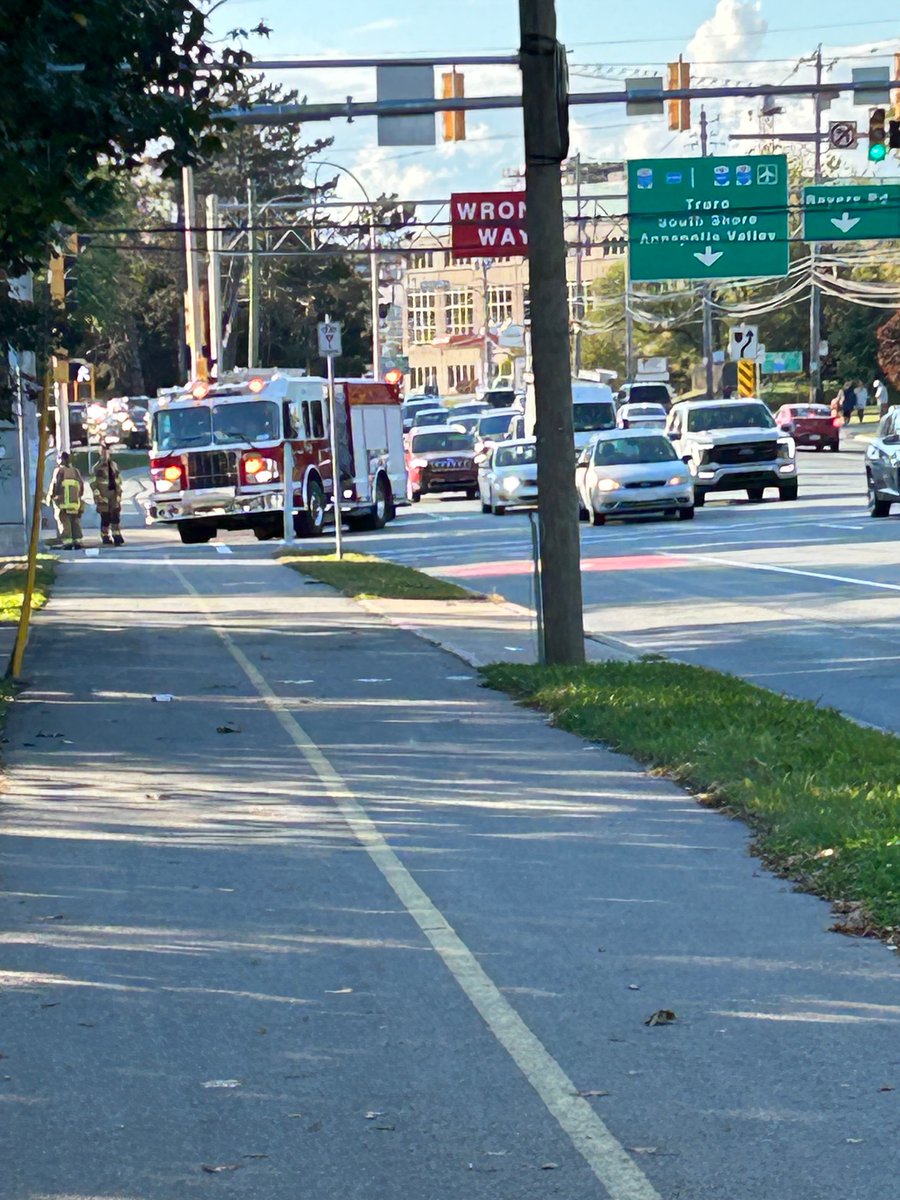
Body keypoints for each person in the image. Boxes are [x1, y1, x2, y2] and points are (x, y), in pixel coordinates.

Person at [47, 452, 84, 551]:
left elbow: (54, 485)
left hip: (63, 504)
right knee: (75, 523)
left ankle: (67, 543)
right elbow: (81, 486)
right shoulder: (75, 471)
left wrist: (49, 498)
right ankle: (78, 542)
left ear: (60, 460)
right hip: (75, 503)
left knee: (64, 523)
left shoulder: (59, 471)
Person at [90, 443, 124, 546]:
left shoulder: (114, 466)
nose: (105, 455)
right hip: (103, 497)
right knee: (105, 518)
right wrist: (98, 496)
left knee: (115, 516)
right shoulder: (96, 468)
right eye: (103, 452)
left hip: (113, 496)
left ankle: (117, 536)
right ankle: (105, 536)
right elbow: (93, 483)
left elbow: (118, 481)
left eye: (107, 453)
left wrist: (118, 494)